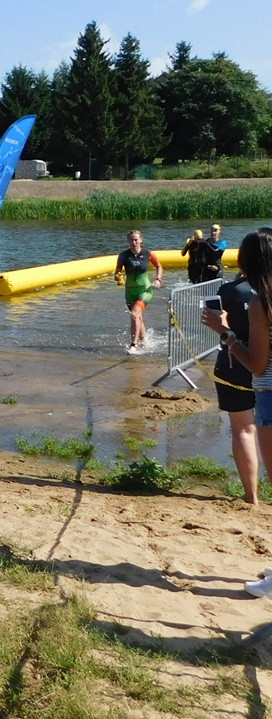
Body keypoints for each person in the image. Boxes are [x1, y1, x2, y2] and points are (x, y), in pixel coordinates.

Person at [201, 228, 272, 597]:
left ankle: (251, 497)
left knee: (241, 432)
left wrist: (225, 333)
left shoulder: (253, 299)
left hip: (257, 385)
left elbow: (258, 364)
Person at [200, 259, 258, 506]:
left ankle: (251, 496)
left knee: (244, 430)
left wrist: (222, 328)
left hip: (236, 362)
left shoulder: (230, 290)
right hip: (265, 365)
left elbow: (221, 325)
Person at [114, 229, 163, 355]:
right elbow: (118, 271)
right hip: (130, 291)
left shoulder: (148, 254)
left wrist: (158, 279)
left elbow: (159, 266)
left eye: (136, 239)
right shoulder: (123, 255)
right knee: (138, 317)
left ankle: (133, 345)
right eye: (131, 240)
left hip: (145, 290)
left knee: (134, 314)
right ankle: (145, 340)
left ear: (141, 240)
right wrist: (118, 277)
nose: (133, 242)